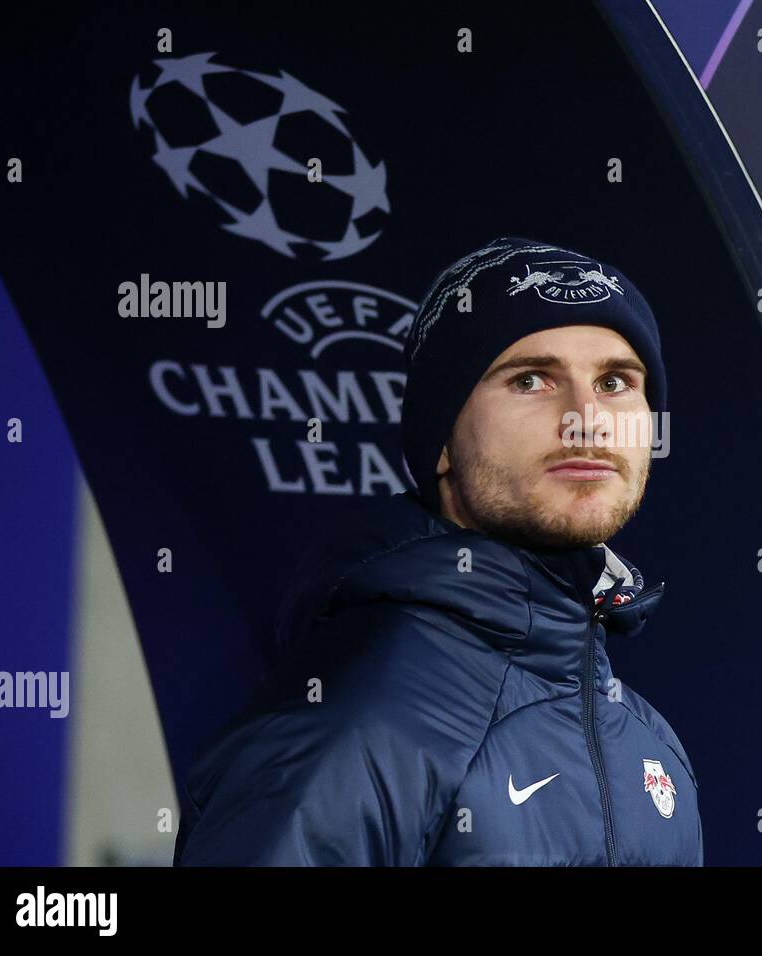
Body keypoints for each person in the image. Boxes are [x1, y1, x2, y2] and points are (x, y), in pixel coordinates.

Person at [173, 236, 702, 866]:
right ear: (441, 442)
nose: (586, 418)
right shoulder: (354, 723)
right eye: (531, 379)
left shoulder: (649, 743)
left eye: (616, 381)